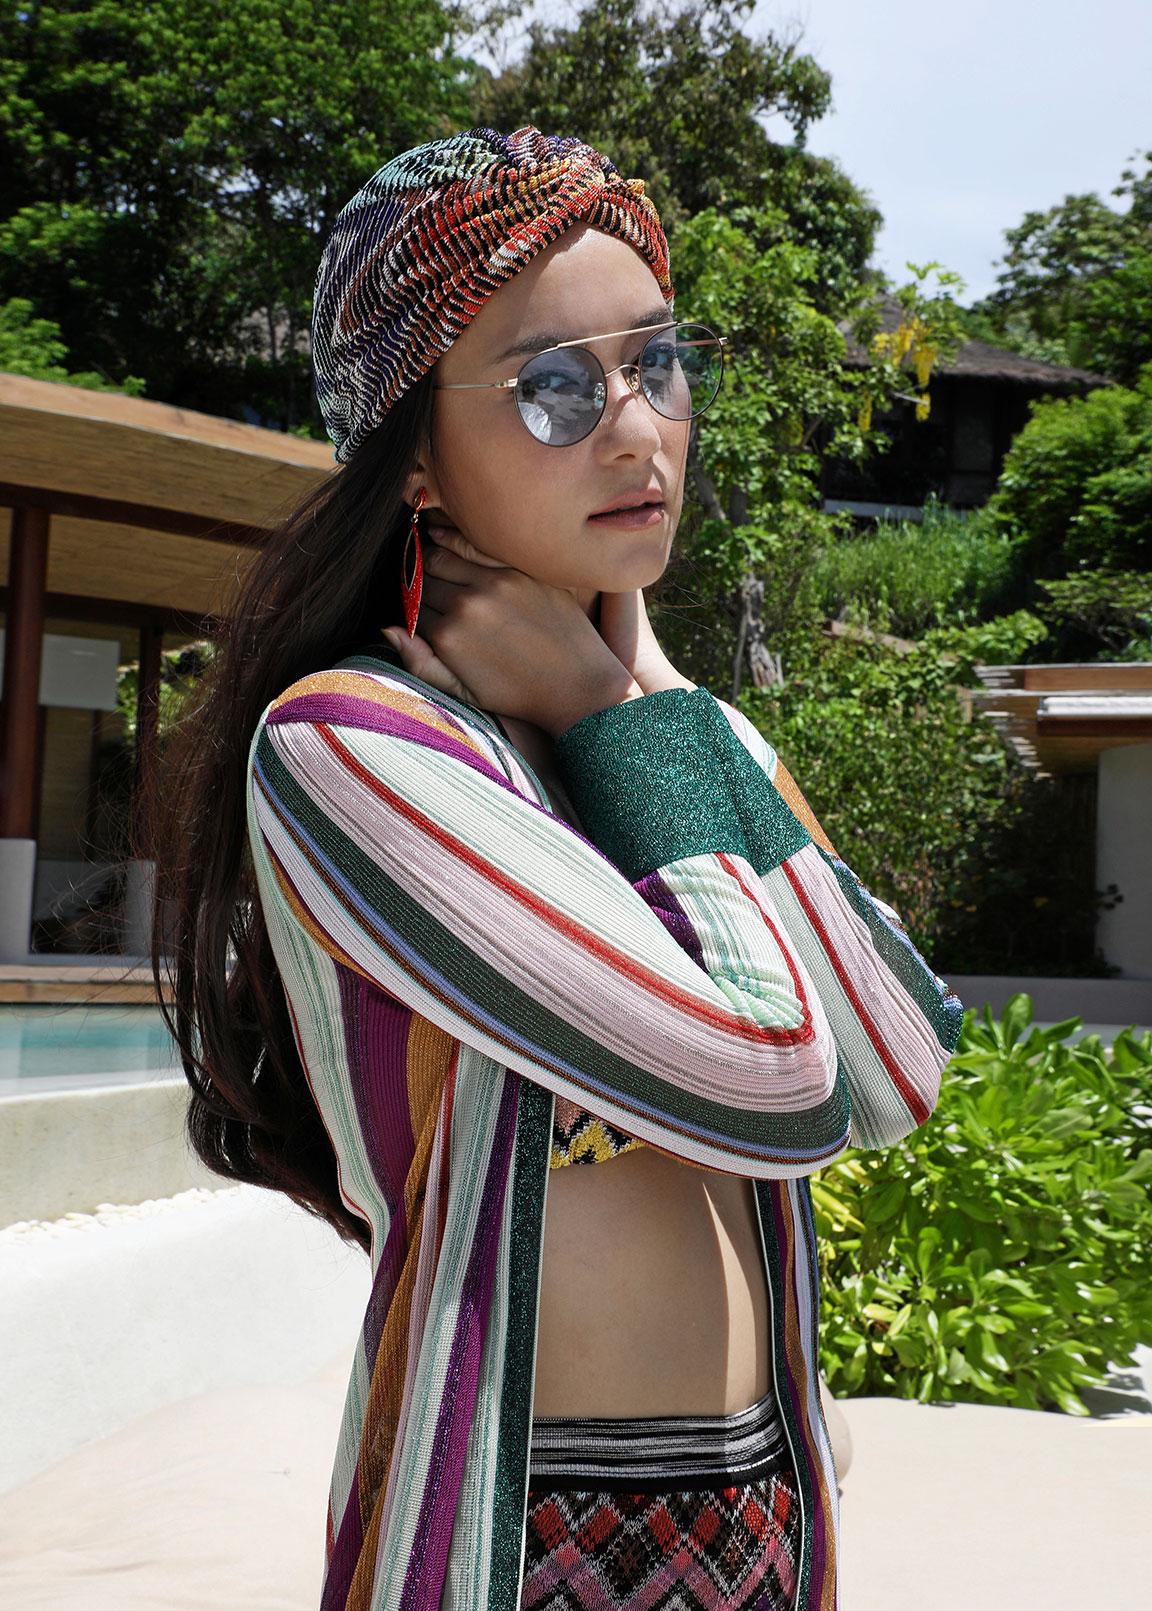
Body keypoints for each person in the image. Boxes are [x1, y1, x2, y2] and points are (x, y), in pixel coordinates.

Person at [154, 126, 965, 1611]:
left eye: (657, 364)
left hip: (763, 1518)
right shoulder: (352, 749)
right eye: (554, 388)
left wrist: (645, 695)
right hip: (520, 1535)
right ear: (412, 455)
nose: (640, 432)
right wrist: (608, 712)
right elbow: (776, 1081)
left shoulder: (677, 736)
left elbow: (893, 1073)